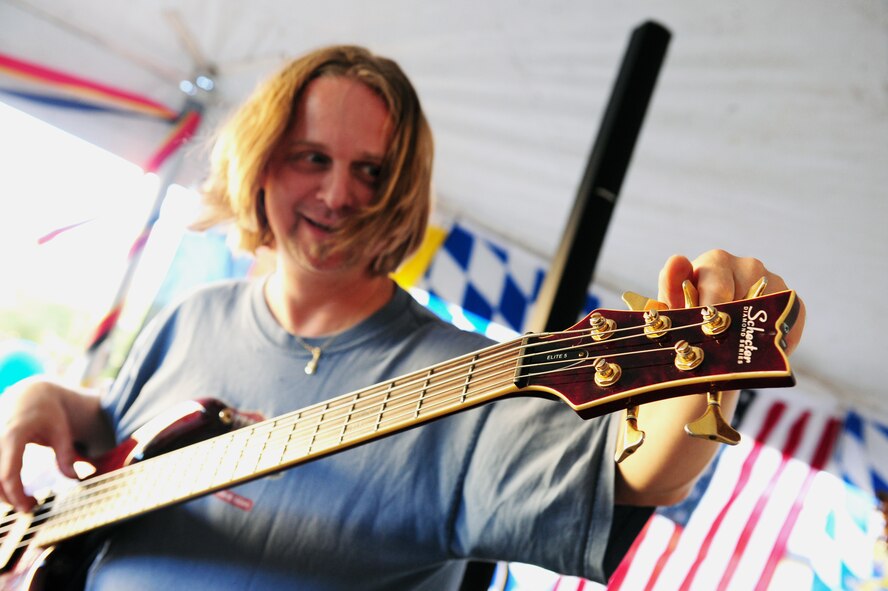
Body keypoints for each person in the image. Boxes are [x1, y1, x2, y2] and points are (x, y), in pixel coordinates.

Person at [0, 45, 805, 590]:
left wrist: (707, 377)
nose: (336, 192)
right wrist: (43, 399)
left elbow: (637, 475)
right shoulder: (192, 312)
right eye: (311, 156)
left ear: (404, 189)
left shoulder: (465, 385)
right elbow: (115, 431)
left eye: (370, 170)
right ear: (263, 159)